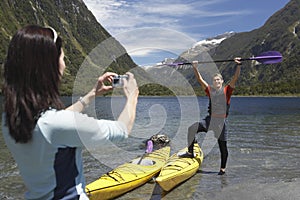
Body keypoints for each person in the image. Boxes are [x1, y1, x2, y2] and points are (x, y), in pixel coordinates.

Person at [2, 25, 139, 199]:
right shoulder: (57, 125)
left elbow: (53, 126)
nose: (64, 65)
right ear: (50, 66)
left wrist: (92, 94)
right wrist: (132, 96)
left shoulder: (10, 119)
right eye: (62, 58)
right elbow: (122, 130)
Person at [179, 58, 241, 175]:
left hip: (220, 123)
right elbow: (199, 79)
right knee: (192, 128)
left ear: (222, 81)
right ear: (213, 82)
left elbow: (235, 78)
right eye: (214, 80)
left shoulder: (227, 90)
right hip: (209, 121)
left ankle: (222, 169)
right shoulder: (210, 90)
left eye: (218, 80)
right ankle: (191, 152)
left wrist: (238, 65)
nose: (216, 81)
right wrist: (195, 68)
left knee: (223, 146)